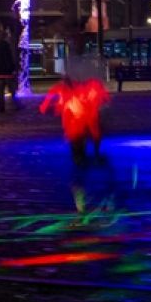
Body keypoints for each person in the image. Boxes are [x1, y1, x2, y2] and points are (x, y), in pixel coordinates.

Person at [40, 73, 112, 216]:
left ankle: (83, 200)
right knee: (82, 163)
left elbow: (48, 104)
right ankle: (91, 194)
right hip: (79, 133)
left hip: (77, 133)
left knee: (79, 167)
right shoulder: (80, 92)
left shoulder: (75, 94)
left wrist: (49, 106)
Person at [0, 29, 18, 112]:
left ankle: (1, 107)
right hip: (7, 72)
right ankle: (15, 105)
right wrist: (12, 69)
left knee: (0, 92)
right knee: (12, 90)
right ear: (6, 37)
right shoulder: (7, 47)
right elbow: (9, 59)